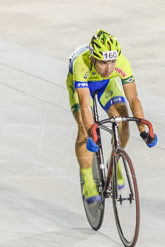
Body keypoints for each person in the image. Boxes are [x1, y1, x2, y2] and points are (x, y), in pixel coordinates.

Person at [66, 30, 157, 204]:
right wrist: (91, 130)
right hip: (81, 85)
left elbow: (133, 99)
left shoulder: (121, 64)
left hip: (106, 85)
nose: (109, 68)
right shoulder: (81, 63)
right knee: (84, 128)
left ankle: (115, 162)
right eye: (103, 63)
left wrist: (144, 131)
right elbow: (85, 103)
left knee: (122, 118)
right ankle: (87, 177)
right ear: (93, 59)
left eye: (112, 62)